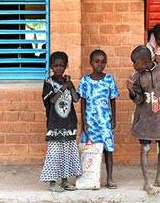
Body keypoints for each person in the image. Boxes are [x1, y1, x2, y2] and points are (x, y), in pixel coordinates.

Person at [126, 45, 160, 195]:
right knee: (145, 148)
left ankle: (159, 178)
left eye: (135, 62)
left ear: (146, 60)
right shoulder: (136, 76)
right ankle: (147, 182)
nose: (134, 65)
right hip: (145, 120)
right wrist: (131, 90)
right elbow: (139, 100)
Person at [40, 51, 82, 192]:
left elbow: (76, 99)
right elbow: (51, 100)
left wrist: (69, 86)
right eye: (56, 65)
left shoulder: (67, 82)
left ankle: (64, 181)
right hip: (55, 123)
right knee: (54, 153)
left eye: (62, 66)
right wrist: (63, 88)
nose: (59, 68)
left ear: (66, 66)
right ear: (51, 66)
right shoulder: (48, 82)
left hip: (69, 123)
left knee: (67, 152)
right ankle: (53, 181)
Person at [79, 49, 119, 188]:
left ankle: (109, 178)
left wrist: (113, 119)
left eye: (103, 62)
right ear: (91, 63)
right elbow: (82, 101)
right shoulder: (85, 80)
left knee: (108, 149)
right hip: (90, 121)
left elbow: (112, 100)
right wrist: (83, 121)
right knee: (89, 150)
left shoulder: (109, 79)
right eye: (96, 61)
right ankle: (89, 177)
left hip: (105, 121)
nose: (100, 64)